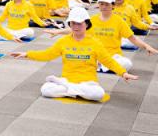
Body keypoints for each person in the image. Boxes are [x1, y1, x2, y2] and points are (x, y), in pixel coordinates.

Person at [10, 7, 138, 101]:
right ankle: (71, 88)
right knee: (45, 90)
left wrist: (123, 73)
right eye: (73, 23)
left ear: (86, 24)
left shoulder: (94, 43)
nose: (76, 26)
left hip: (88, 82)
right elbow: (47, 54)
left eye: (79, 23)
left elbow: (108, 61)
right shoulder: (64, 41)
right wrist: (27, 54)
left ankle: (67, 88)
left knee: (98, 93)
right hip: (68, 79)